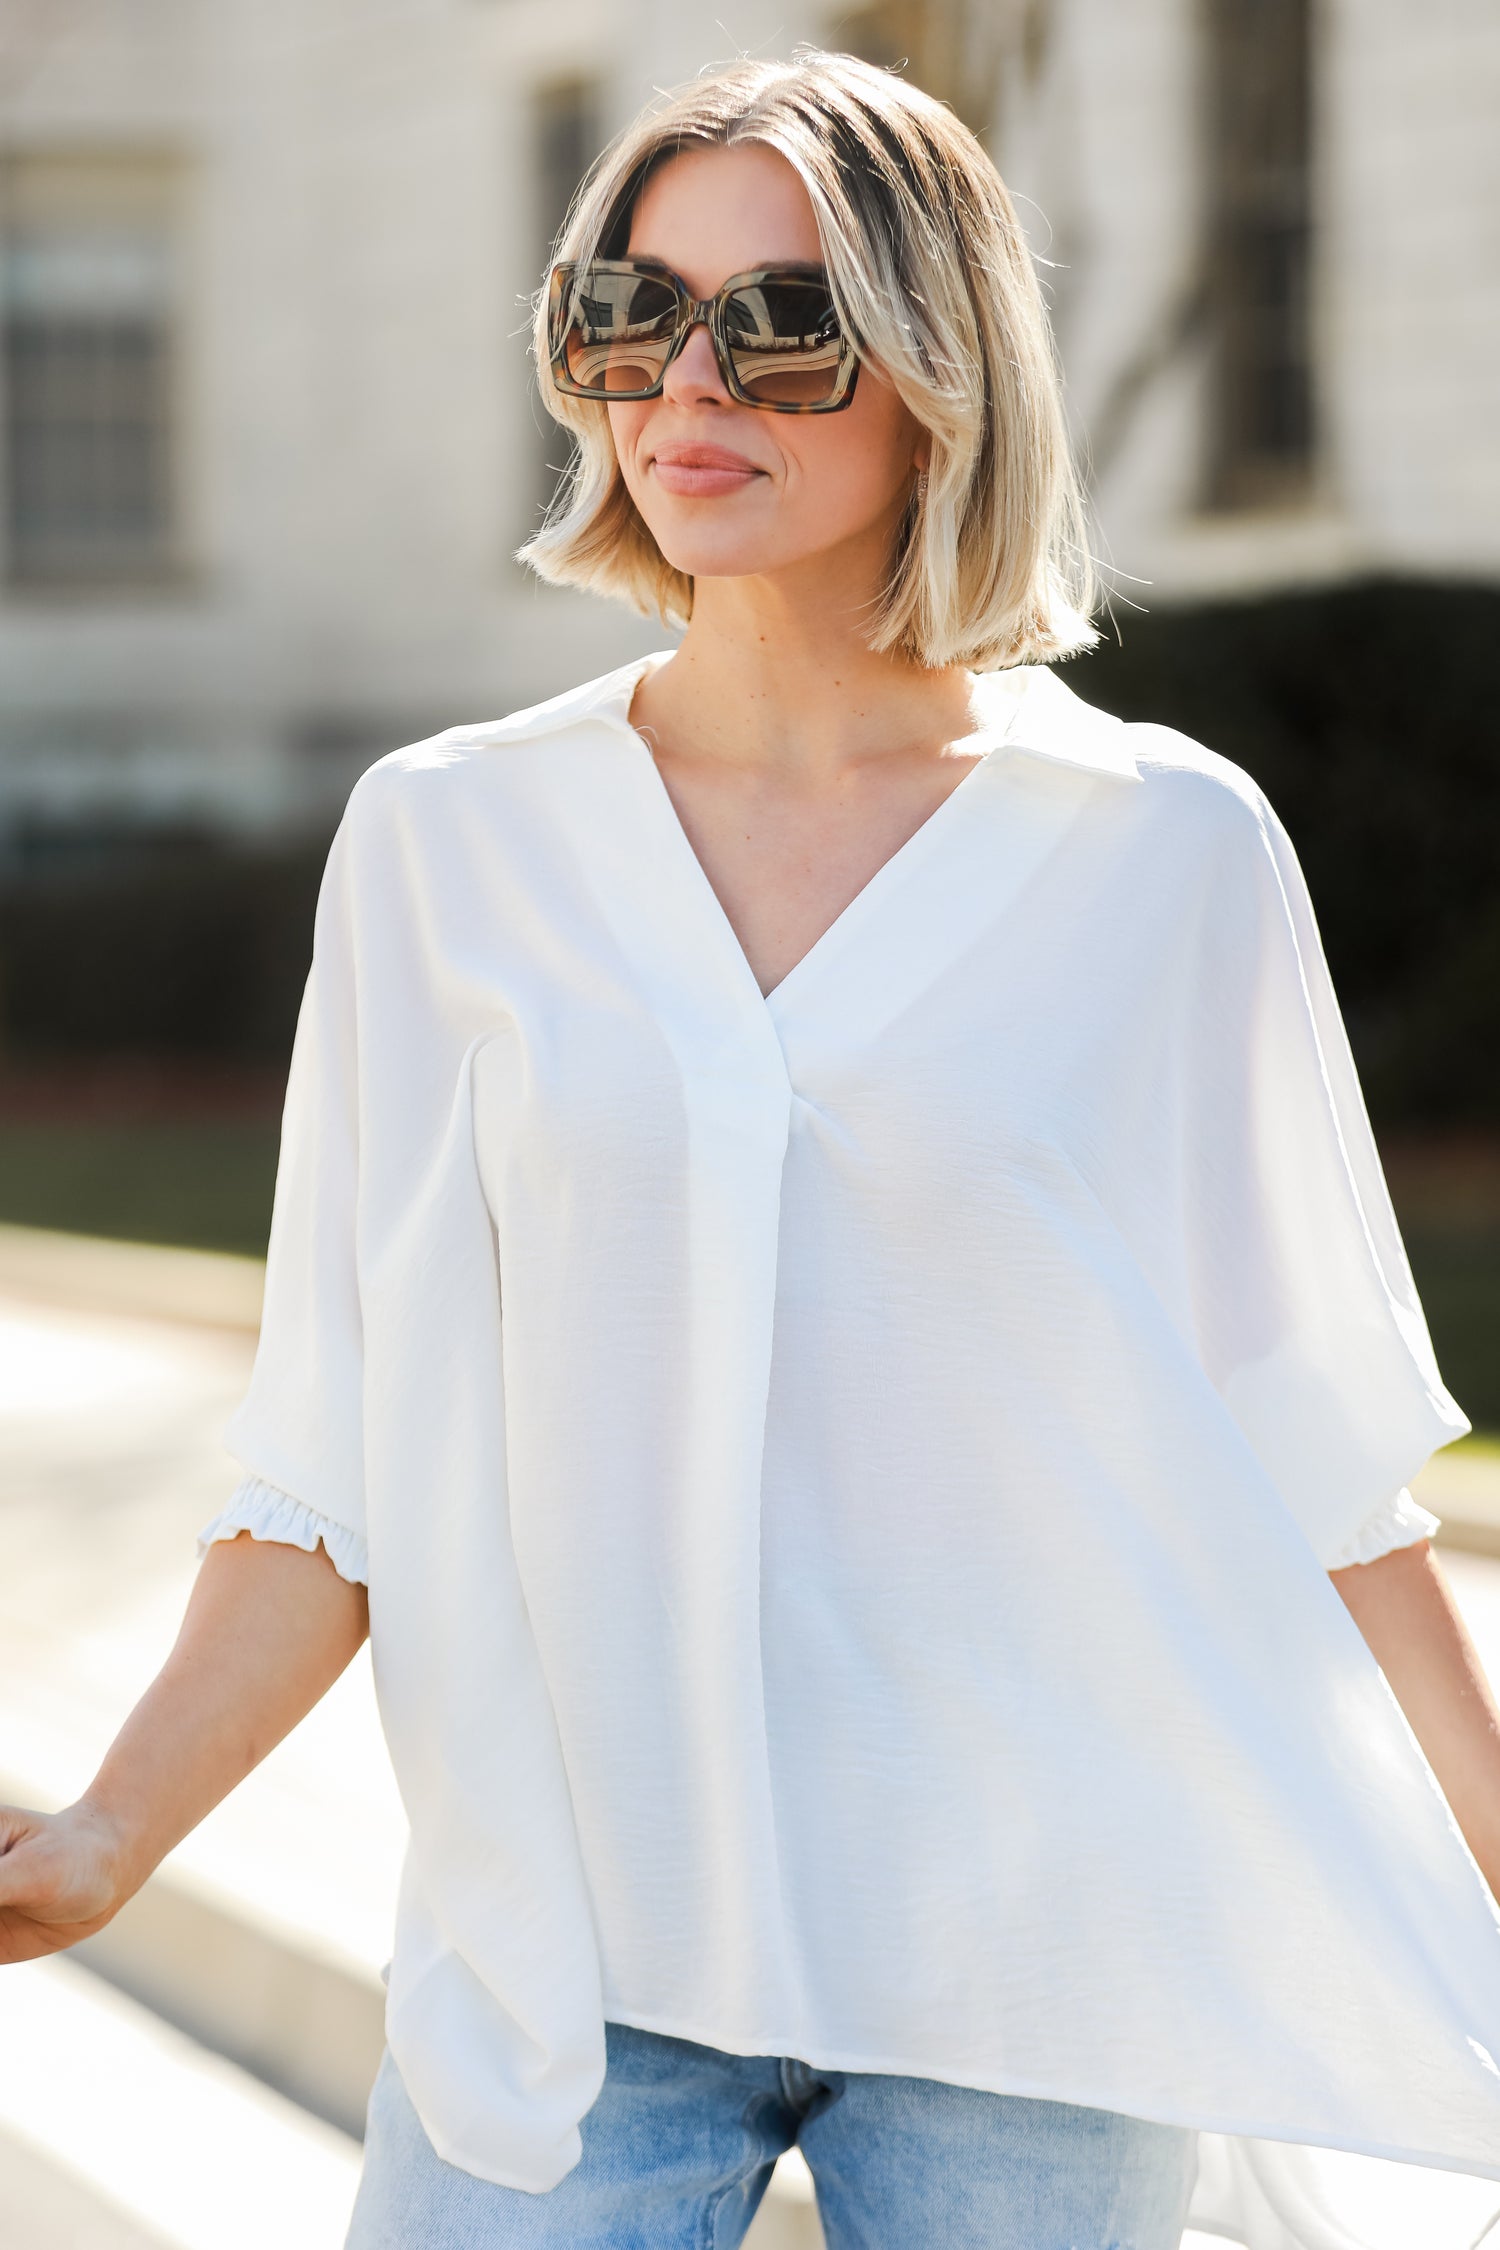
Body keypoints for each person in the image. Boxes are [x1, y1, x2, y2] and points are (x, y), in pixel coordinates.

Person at [3, 50, 1500, 2250]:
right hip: (571, 1963)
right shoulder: (450, 849)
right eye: (633, 312)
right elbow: (333, 1474)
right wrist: (110, 1838)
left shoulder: (1166, 853)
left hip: (1042, 1963)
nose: (685, 379)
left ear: (935, 366)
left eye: (777, 323)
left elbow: (1323, 1456)